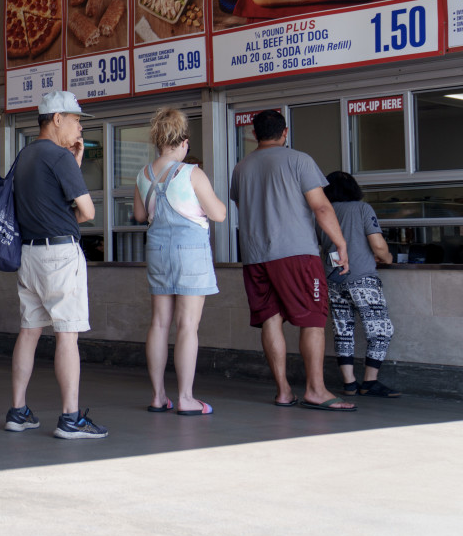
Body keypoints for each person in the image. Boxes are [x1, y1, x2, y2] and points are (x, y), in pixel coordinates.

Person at [229, 109, 355, 412]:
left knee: (271, 319)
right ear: (284, 132)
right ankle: (315, 390)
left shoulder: (241, 167)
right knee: (312, 319)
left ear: (254, 135)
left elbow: (242, 203)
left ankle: (284, 391)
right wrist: (340, 243)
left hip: (255, 256)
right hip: (296, 254)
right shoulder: (299, 160)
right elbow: (321, 208)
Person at [5, 90, 107, 439]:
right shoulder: (59, 157)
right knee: (67, 334)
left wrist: (74, 165)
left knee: (29, 331)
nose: (80, 129)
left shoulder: (25, 155)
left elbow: (42, 205)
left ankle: (18, 411)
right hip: (60, 256)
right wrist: (72, 167)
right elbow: (88, 212)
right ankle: (70, 418)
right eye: (76, 120)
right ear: (57, 119)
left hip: (29, 254)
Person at [132, 108, 226, 416]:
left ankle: (158, 395)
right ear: (183, 141)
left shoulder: (143, 175)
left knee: (159, 324)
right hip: (191, 252)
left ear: (157, 140)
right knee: (187, 326)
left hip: (158, 250)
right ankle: (186, 398)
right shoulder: (191, 173)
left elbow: (140, 216)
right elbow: (219, 213)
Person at [318, 171, 399, 398]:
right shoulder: (362, 209)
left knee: (344, 329)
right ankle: (370, 382)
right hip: (362, 278)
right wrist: (388, 258)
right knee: (381, 330)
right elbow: (378, 245)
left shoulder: (322, 213)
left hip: (332, 279)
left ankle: (349, 383)